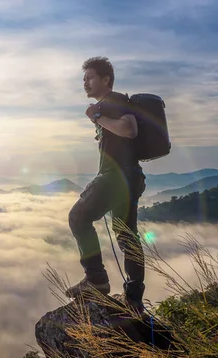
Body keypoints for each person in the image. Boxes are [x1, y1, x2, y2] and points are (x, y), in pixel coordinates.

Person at [65, 56, 147, 314]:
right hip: (129, 179)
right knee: (126, 236)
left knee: (78, 217)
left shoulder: (113, 101)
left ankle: (96, 280)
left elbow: (130, 129)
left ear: (106, 79)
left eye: (89, 78)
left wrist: (97, 116)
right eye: (84, 79)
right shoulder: (109, 104)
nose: (85, 83)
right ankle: (133, 299)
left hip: (116, 178)